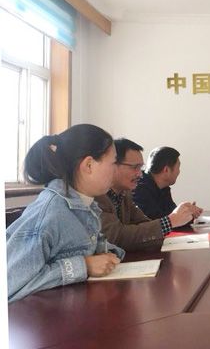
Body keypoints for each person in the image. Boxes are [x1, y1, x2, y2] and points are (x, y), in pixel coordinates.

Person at [7, 124, 125, 303]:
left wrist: (105, 254)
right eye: (114, 162)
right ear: (89, 165)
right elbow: (10, 285)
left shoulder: (86, 206)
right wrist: (84, 265)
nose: (116, 170)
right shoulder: (50, 214)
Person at [96, 138, 202, 251]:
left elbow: (145, 224)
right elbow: (117, 236)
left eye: (140, 167)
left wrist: (183, 215)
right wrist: (171, 221)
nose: (140, 174)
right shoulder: (98, 197)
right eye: (135, 167)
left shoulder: (125, 193)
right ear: (112, 165)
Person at [133, 146, 183, 219]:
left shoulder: (164, 188)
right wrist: (182, 215)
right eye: (178, 168)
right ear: (166, 170)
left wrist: (189, 213)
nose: (179, 172)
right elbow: (157, 220)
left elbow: (173, 214)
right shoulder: (140, 189)